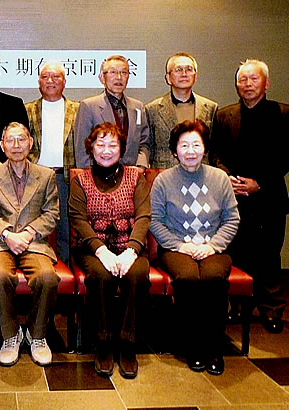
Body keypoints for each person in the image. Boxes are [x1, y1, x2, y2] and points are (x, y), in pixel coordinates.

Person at [151, 120, 239, 376]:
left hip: (213, 247)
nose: (190, 151)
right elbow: (155, 221)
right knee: (188, 278)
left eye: (196, 145)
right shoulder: (163, 180)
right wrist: (181, 246)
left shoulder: (220, 178)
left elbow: (232, 219)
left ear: (205, 148)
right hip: (176, 247)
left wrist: (213, 246)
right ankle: (192, 346)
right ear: (174, 150)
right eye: (184, 145)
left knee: (212, 277)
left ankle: (214, 346)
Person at [210, 59, 289, 334]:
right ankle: (238, 307)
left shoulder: (284, 114)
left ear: (266, 83)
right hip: (233, 197)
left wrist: (260, 183)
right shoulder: (225, 115)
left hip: (269, 197)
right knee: (237, 252)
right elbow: (215, 153)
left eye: (253, 79)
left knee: (269, 255)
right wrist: (227, 178)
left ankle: (271, 309)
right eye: (242, 80)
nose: (247, 84)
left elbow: (286, 156)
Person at [69, 122, 150, 379]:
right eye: (100, 144)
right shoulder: (80, 180)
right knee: (100, 276)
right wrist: (101, 251)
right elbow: (78, 219)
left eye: (112, 145)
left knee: (136, 275)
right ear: (91, 148)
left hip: (130, 246)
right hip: (92, 248)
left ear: (122, 149)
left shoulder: (136, 177)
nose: (106, 150)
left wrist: (132, 251)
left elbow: (144, 216)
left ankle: (128, 343)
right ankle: (102, 342)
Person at [0, 122, 60, 367]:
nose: (16, 145)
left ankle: (37, 334)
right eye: (10, 140)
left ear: (30, 143)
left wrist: (28, 233)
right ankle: (11, 335)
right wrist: (7, 235)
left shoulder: (46, 175)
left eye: (21, 139)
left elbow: (52, 213)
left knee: (47, 277)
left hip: (33, 241)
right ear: (2, 145)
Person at [26, 61, 80, 265]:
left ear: (64, 82)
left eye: (56, 76)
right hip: (35, 178)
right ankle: (40, 267)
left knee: (65, 228)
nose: (50, 80)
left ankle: (65, 267)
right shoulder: (28, 109)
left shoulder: (78, 109)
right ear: (39, 82)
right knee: (35, 226)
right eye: (45, 76)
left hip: (65, 177)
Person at [74, 55, 149, 171]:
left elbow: (144, 142)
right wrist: (89, 176)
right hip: (99, 175)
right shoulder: (89, 106)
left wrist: (141, 166)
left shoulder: (137, 107)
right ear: (102, 78)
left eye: (123, 72)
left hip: (132, 174)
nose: (119, 77)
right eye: (113, 72)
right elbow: (82, 149)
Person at [145, 53, 218, 169]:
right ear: (168, 78)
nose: (184, 74)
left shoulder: (210, 108)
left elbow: (213, 149)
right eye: (178, 70)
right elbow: (149, 148)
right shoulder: (152, 109)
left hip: (201, 173)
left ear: (195, 76)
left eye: (189, 69)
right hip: (165, 174)